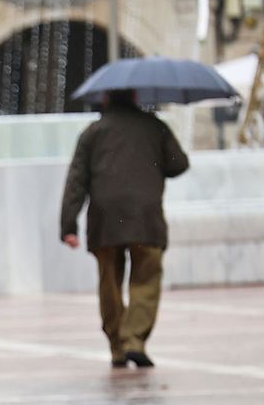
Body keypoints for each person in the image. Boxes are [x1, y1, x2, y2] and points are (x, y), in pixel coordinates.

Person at [60, 88, 190, 369]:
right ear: (134, 98)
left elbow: (76, 181)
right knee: (146, 279)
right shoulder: (155, 127)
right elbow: (179, 164)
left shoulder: (93, 133)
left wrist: (68, 225)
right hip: (145, 217)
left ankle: (118, 347)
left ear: (105, 99)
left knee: (110, 283)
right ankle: (134, 340)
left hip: (106, 220)